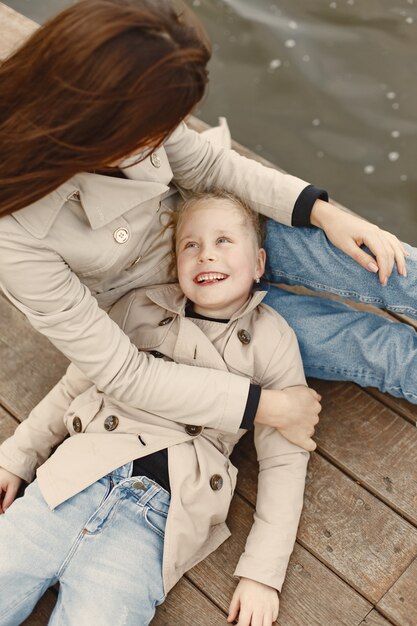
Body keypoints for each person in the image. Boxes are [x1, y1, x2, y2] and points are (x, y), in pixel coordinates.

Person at [0, 0, 416, 456]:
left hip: (218, 228)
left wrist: (326, 213)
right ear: (97, 125)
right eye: (153, 131)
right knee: (372, 349)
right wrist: (264, 406)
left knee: (386, 263)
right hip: (186, 319)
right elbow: (124, 372)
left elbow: (206, 164)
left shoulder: (132, 100)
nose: (165, 138)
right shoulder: (15, 236)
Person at [0, 191, 313, 626]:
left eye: (224, 241)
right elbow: (71, 386)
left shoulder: (273, 341)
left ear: (258, 263)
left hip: (155, 524)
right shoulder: (139, 307)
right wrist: (17, 457)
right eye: (191, 244)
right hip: (69, 485)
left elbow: (285, 461)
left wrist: (262, 573)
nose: (206, 255)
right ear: (175, 261)